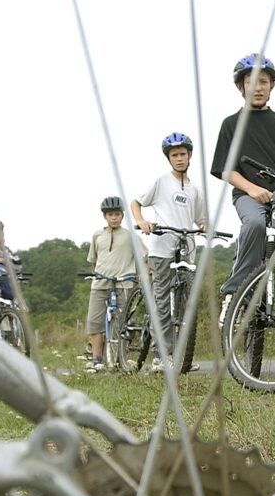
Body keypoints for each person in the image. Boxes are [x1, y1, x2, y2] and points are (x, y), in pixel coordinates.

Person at [210, 55, 275, 318]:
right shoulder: (231, 124)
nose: (258, 87)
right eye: (251, 82)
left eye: (263, 81)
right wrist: (252, 189)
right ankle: (235, 291)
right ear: (240, 87)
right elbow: (226, 169)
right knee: (254, 225)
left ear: (272, 85)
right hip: (248, 196)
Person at [133, 133, 208, 373]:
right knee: (163, 304)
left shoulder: (195, 189)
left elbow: (201, 219)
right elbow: (136, 202)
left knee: (185, 307)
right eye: (174, 155)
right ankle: (160, 357)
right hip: (162, 249)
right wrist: (141, 220)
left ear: (189, 156)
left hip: (186, 251)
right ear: (169, 158)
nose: (179, 158)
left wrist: (205, 227)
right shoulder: (161, 182)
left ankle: (182, 357)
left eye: (182, 154)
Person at [85, 196, 140, 373]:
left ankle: (121, 357)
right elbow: (93, 260)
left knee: (124, 322)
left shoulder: (129, 236)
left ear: (122, 215)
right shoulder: (97, 235)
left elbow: (142, 257)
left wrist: (142, 275)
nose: (114, 218)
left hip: (124, 283)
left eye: (117, 214)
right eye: (110, 214)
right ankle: (96, 359)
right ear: (104, 216)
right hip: (101, 283)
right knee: (95, 322)